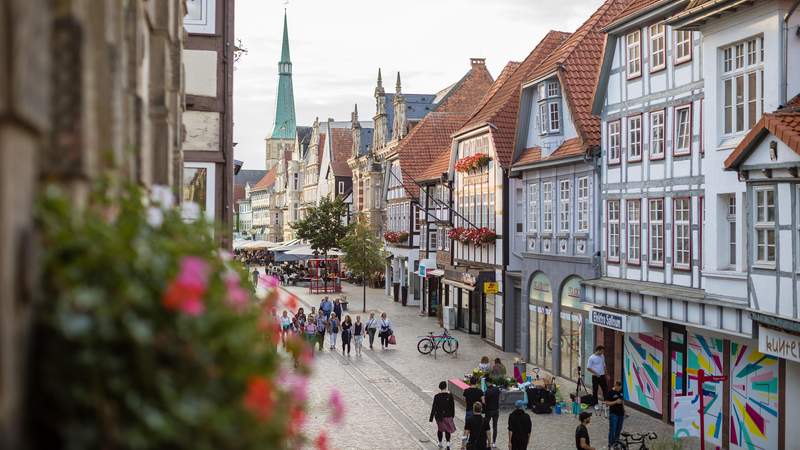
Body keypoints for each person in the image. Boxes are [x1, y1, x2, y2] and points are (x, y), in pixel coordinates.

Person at [429, 381, 455, 449]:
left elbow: (434, 407)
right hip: (448, 416)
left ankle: (440, 443)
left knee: (440, 430)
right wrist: (452, 415)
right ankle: (448, 444)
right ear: (446, 387)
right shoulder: (450, 396)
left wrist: (431, 418)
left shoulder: (437, 396)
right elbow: (452, 406)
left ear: (439, 387)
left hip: (439, 416)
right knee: (447, 430)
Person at [605, 381, 625, 446]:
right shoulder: (610, 392)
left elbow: (622, 401)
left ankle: (616, 442)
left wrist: (624, 410)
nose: (619, 389)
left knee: (619, 429)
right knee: (612, 429)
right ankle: (610, 443)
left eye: (620, 388)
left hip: (621, 414)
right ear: (615, 385)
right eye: (618, 387)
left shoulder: (621, 391)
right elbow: (607, 403)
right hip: (614, 414)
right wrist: (616, 402)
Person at [483, 381, 501, 448]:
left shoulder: (487, 391)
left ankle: (486, 441)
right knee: (495, 426)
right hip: (496, 410)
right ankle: (494, 442)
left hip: (489, 411)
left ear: (487, 383)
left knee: (486, 426)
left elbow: (485, 402)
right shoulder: (497, 389)